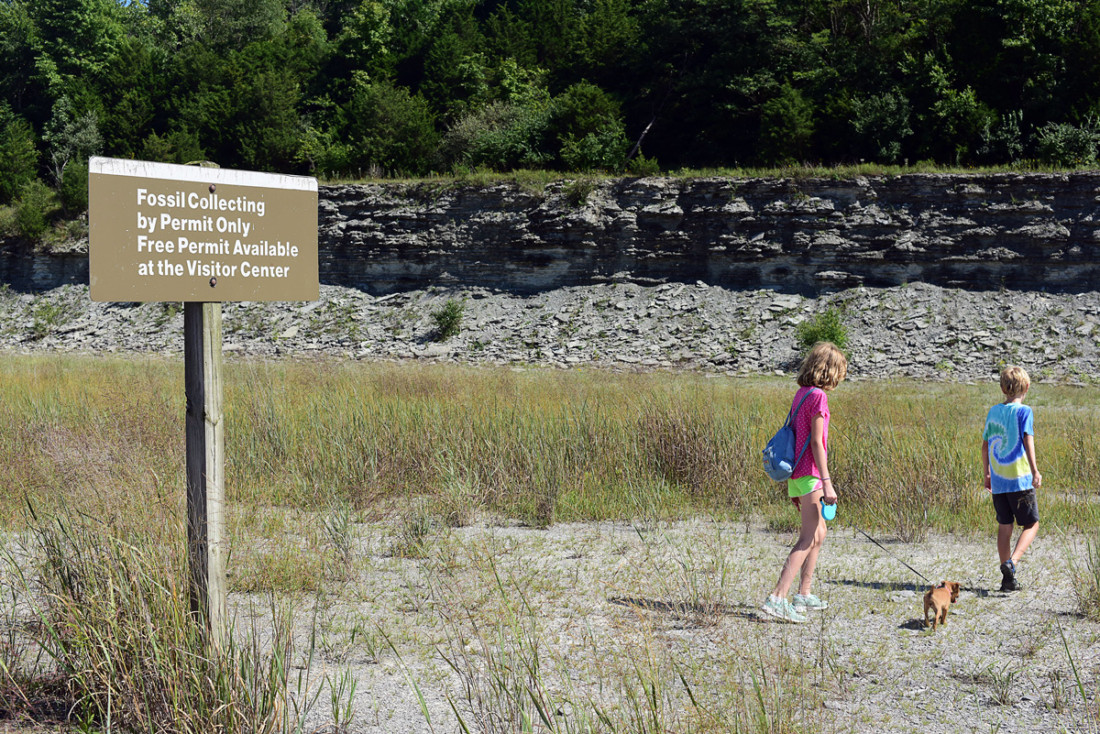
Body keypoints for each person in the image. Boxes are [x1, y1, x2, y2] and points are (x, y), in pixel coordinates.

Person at [762, 341, 847, 623]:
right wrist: (827, 481)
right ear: (831, 371)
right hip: (811, 475)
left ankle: (804, 593)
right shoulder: (819, 397)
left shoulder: (802, 393)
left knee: (819, 534)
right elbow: (816, 442)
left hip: (797, 475)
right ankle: (777, 597)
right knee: (807, 538)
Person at [981, 365, 1041, 592]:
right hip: (1019, 479)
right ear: (1025, 387)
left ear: (1002, 389)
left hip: (998, 481)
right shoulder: (1025, 411)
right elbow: (1028, 441)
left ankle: (1007, 580)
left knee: (1004, 525)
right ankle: (1012, 563)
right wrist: (1035, 470)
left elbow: (985, 445)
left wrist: (987, 473)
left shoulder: (993, 412)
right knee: (1032, 523)